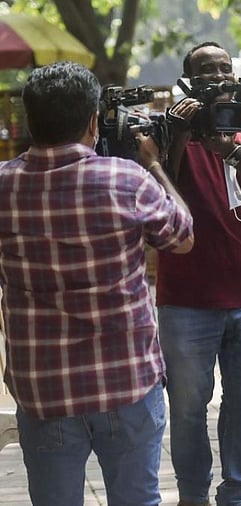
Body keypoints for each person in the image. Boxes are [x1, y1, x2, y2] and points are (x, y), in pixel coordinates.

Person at [0, 61, 194, 505]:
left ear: (30, 120)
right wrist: (157, 167)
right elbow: (183, 238)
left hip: (43, 388)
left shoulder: (4, 186)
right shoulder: (127, 180)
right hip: (126, 382)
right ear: (93, 122)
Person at [158, 41, 241, 506]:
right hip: (185, 298)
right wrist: (179, 133)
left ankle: (238, 493)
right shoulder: (170, 127)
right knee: (189, 409)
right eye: (205, 70)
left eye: (224, 68)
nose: (217, 76)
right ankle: (193, 496)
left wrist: (230, 151)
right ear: (188, 80)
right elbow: (157, 190)